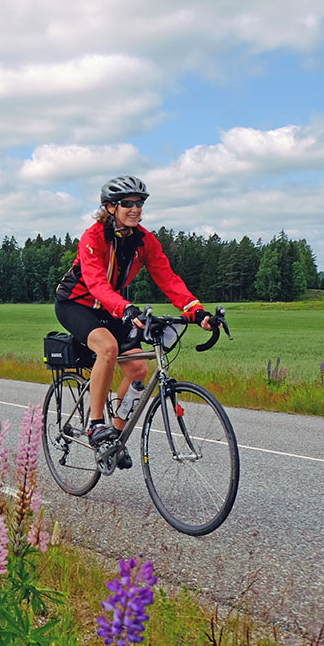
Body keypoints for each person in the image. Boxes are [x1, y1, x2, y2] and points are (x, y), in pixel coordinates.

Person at [54, 175, 213, 468]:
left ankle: (113, 436)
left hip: (112, 307)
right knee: (108, 348)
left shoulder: (144, 241)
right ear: (111, 207)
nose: (136, 208)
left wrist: (197, 311)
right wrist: (126, 308)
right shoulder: (93, 237)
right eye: (128, 203)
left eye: (140, 203)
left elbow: (168, 278)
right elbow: (97, 283)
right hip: (77, 304)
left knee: (139, 368)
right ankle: (95, 424)